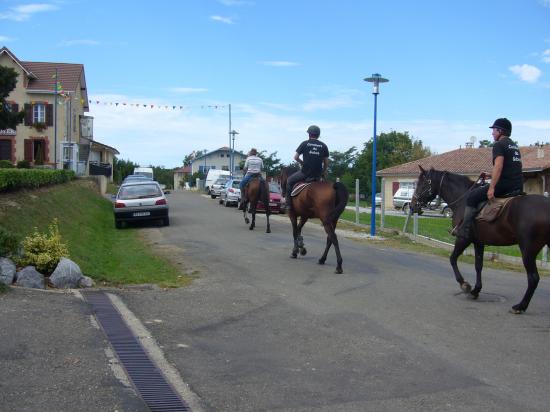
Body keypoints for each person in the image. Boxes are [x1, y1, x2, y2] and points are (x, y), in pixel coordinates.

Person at [456, 117, 523, 238]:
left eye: (494, 130)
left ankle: (464, 230)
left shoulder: (499, 145)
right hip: (517, 185)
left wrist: (492, 187)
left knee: (472, 196)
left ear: (500, 131)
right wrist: (490, 175)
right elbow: (509, 169)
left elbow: (499, 166)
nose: (492, 133)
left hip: (504, 186)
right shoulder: (514, 146)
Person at [285, 125, 329, 209]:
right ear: (318, 135)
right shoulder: (323, 145)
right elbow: (326, 162)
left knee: (289, 180)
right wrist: (323, 171)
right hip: (317, 174)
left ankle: (288, 204)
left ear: (309, 134)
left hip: (305, 173)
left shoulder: (304, 143)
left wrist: (302, 163)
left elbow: (296, 157)